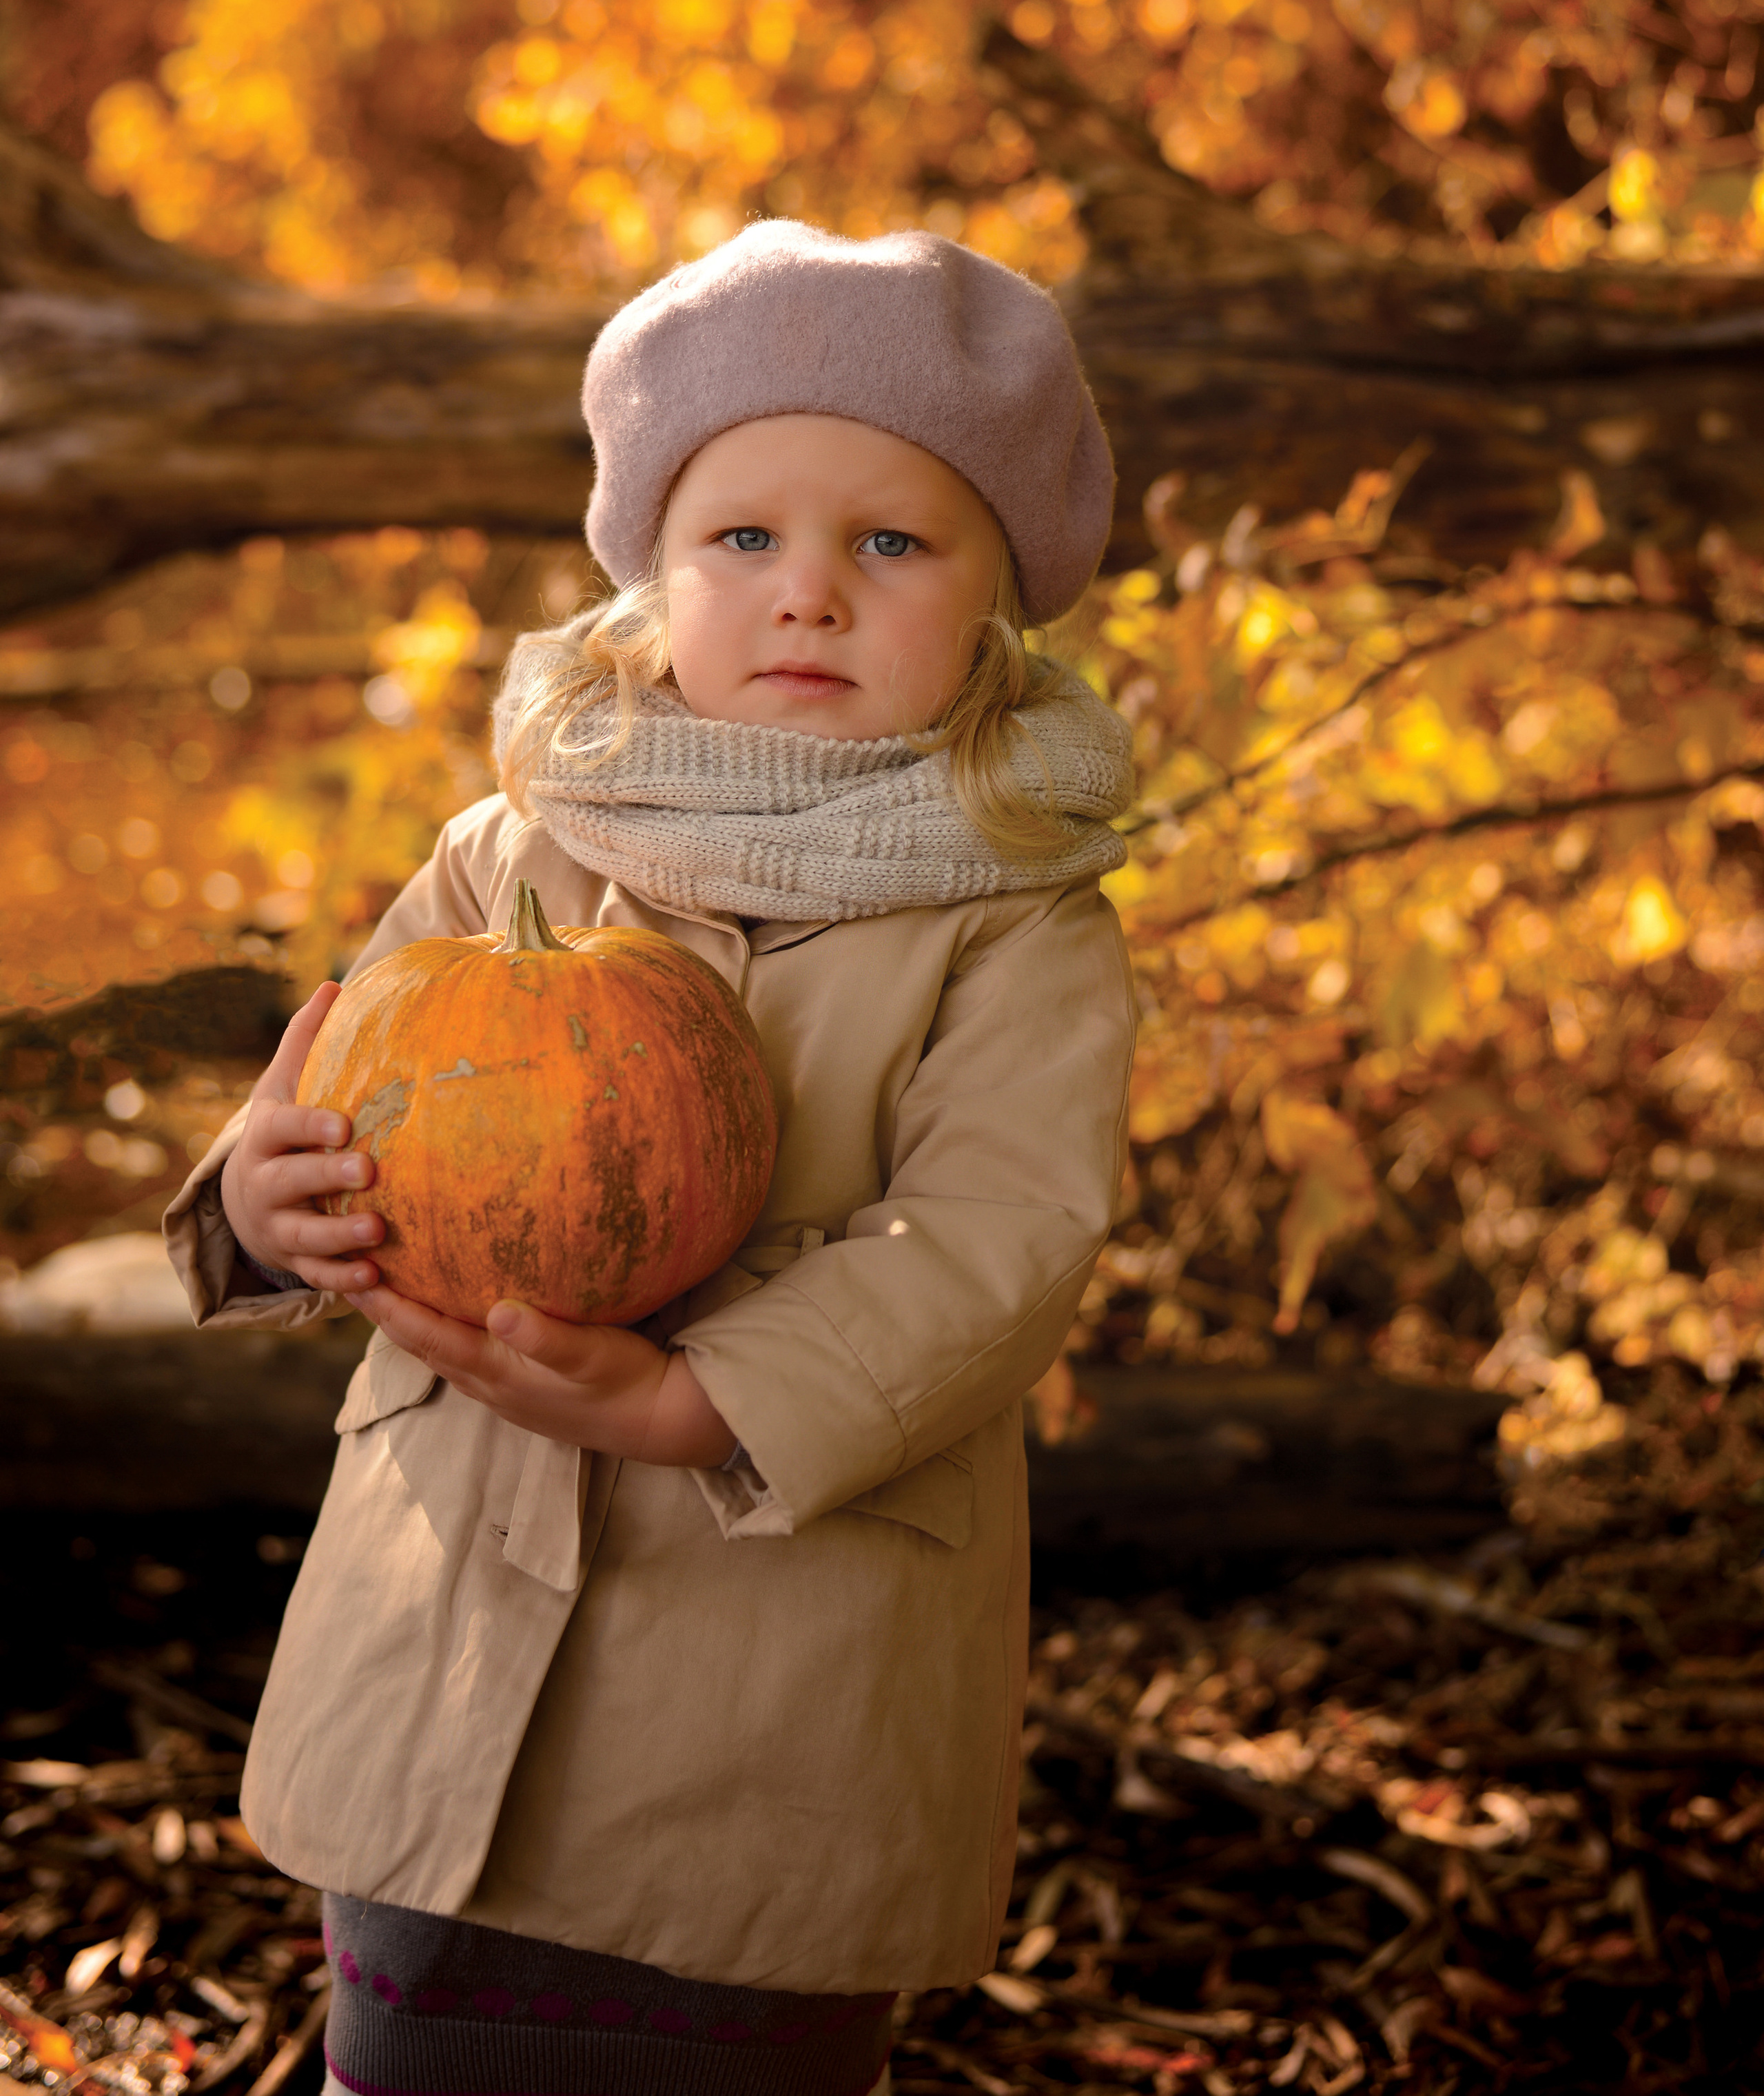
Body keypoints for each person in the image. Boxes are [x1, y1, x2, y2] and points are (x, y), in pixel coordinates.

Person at [164, 220, 1139, 2096]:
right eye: (746, 537)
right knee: (419, 2038)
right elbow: (359, 1092)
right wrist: (269, 1205)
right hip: (450, 1600)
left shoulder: (1016, 919)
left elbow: (1001, 1240)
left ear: (1001, 595)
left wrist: (714, 1398)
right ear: (655, 568)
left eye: (892, 542)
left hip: (784, 1647)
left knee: (723, 2028)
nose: (811, 596)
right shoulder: (520, 847)